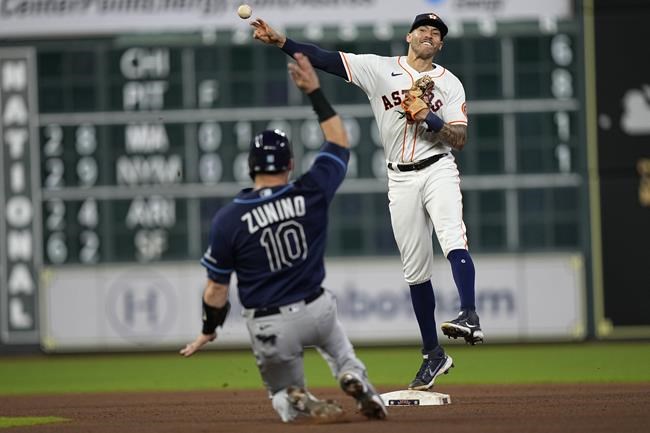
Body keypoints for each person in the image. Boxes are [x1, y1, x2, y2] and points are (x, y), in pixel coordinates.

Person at [251, 12, 484, 391]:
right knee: (414, 270)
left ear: (440, 45)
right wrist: (281, 42)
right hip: (399, 177)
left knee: (451, 234)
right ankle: (433, 355)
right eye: (423, 29)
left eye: (436, 33)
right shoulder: (378, 69)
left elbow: (459, 138)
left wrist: (432, 120)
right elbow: (323, 58)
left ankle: (470, 314)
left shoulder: (450, 84)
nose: (429, 34)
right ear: (409, 36)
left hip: (438, 168)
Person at [180, 53, 387, 423]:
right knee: (341, 352)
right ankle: (353, 378)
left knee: (280, 395)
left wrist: (209, 329)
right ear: (290, 164)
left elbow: (216, 290)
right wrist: (315, 93)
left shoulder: (230, 218)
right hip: (316, 309)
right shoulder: (311, 191)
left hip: (269, 324)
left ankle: (295, 397)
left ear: (250, 167)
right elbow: (339, 142)